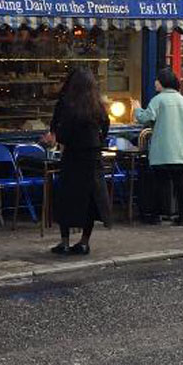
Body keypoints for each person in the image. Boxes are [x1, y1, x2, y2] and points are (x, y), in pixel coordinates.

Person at [49, 67, 111, 255]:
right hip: (93, 159)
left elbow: (62, 132)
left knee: (67, 200)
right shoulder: (97, 105)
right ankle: (84, 242)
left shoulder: (67, 104)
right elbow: (106, 125)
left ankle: (65, 242)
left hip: (73, 158)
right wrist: (98, 142)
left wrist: (57, 139)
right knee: (90, 202)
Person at [134, 68, 183, 226]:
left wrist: (136, 108)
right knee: (180, 186)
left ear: (163, 82)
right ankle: (182, 217)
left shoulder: (158, 100)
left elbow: (145, 118)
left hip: (163, 151)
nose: (155, 82)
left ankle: (156, 215)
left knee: (159, 185)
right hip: (181, 152)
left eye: (157, 80)